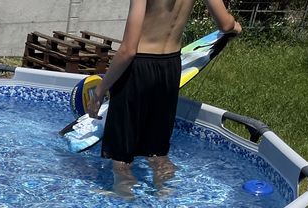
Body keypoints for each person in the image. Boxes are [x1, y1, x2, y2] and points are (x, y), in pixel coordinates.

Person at [85, 0, 240, 195]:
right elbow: (226, 24)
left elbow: (128, 49)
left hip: (138, 68)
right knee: (158, 151)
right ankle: (165, 193)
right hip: (170, 66)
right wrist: (235, 26)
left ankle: (123, 195)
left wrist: (100, 91)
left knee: (122, 156)